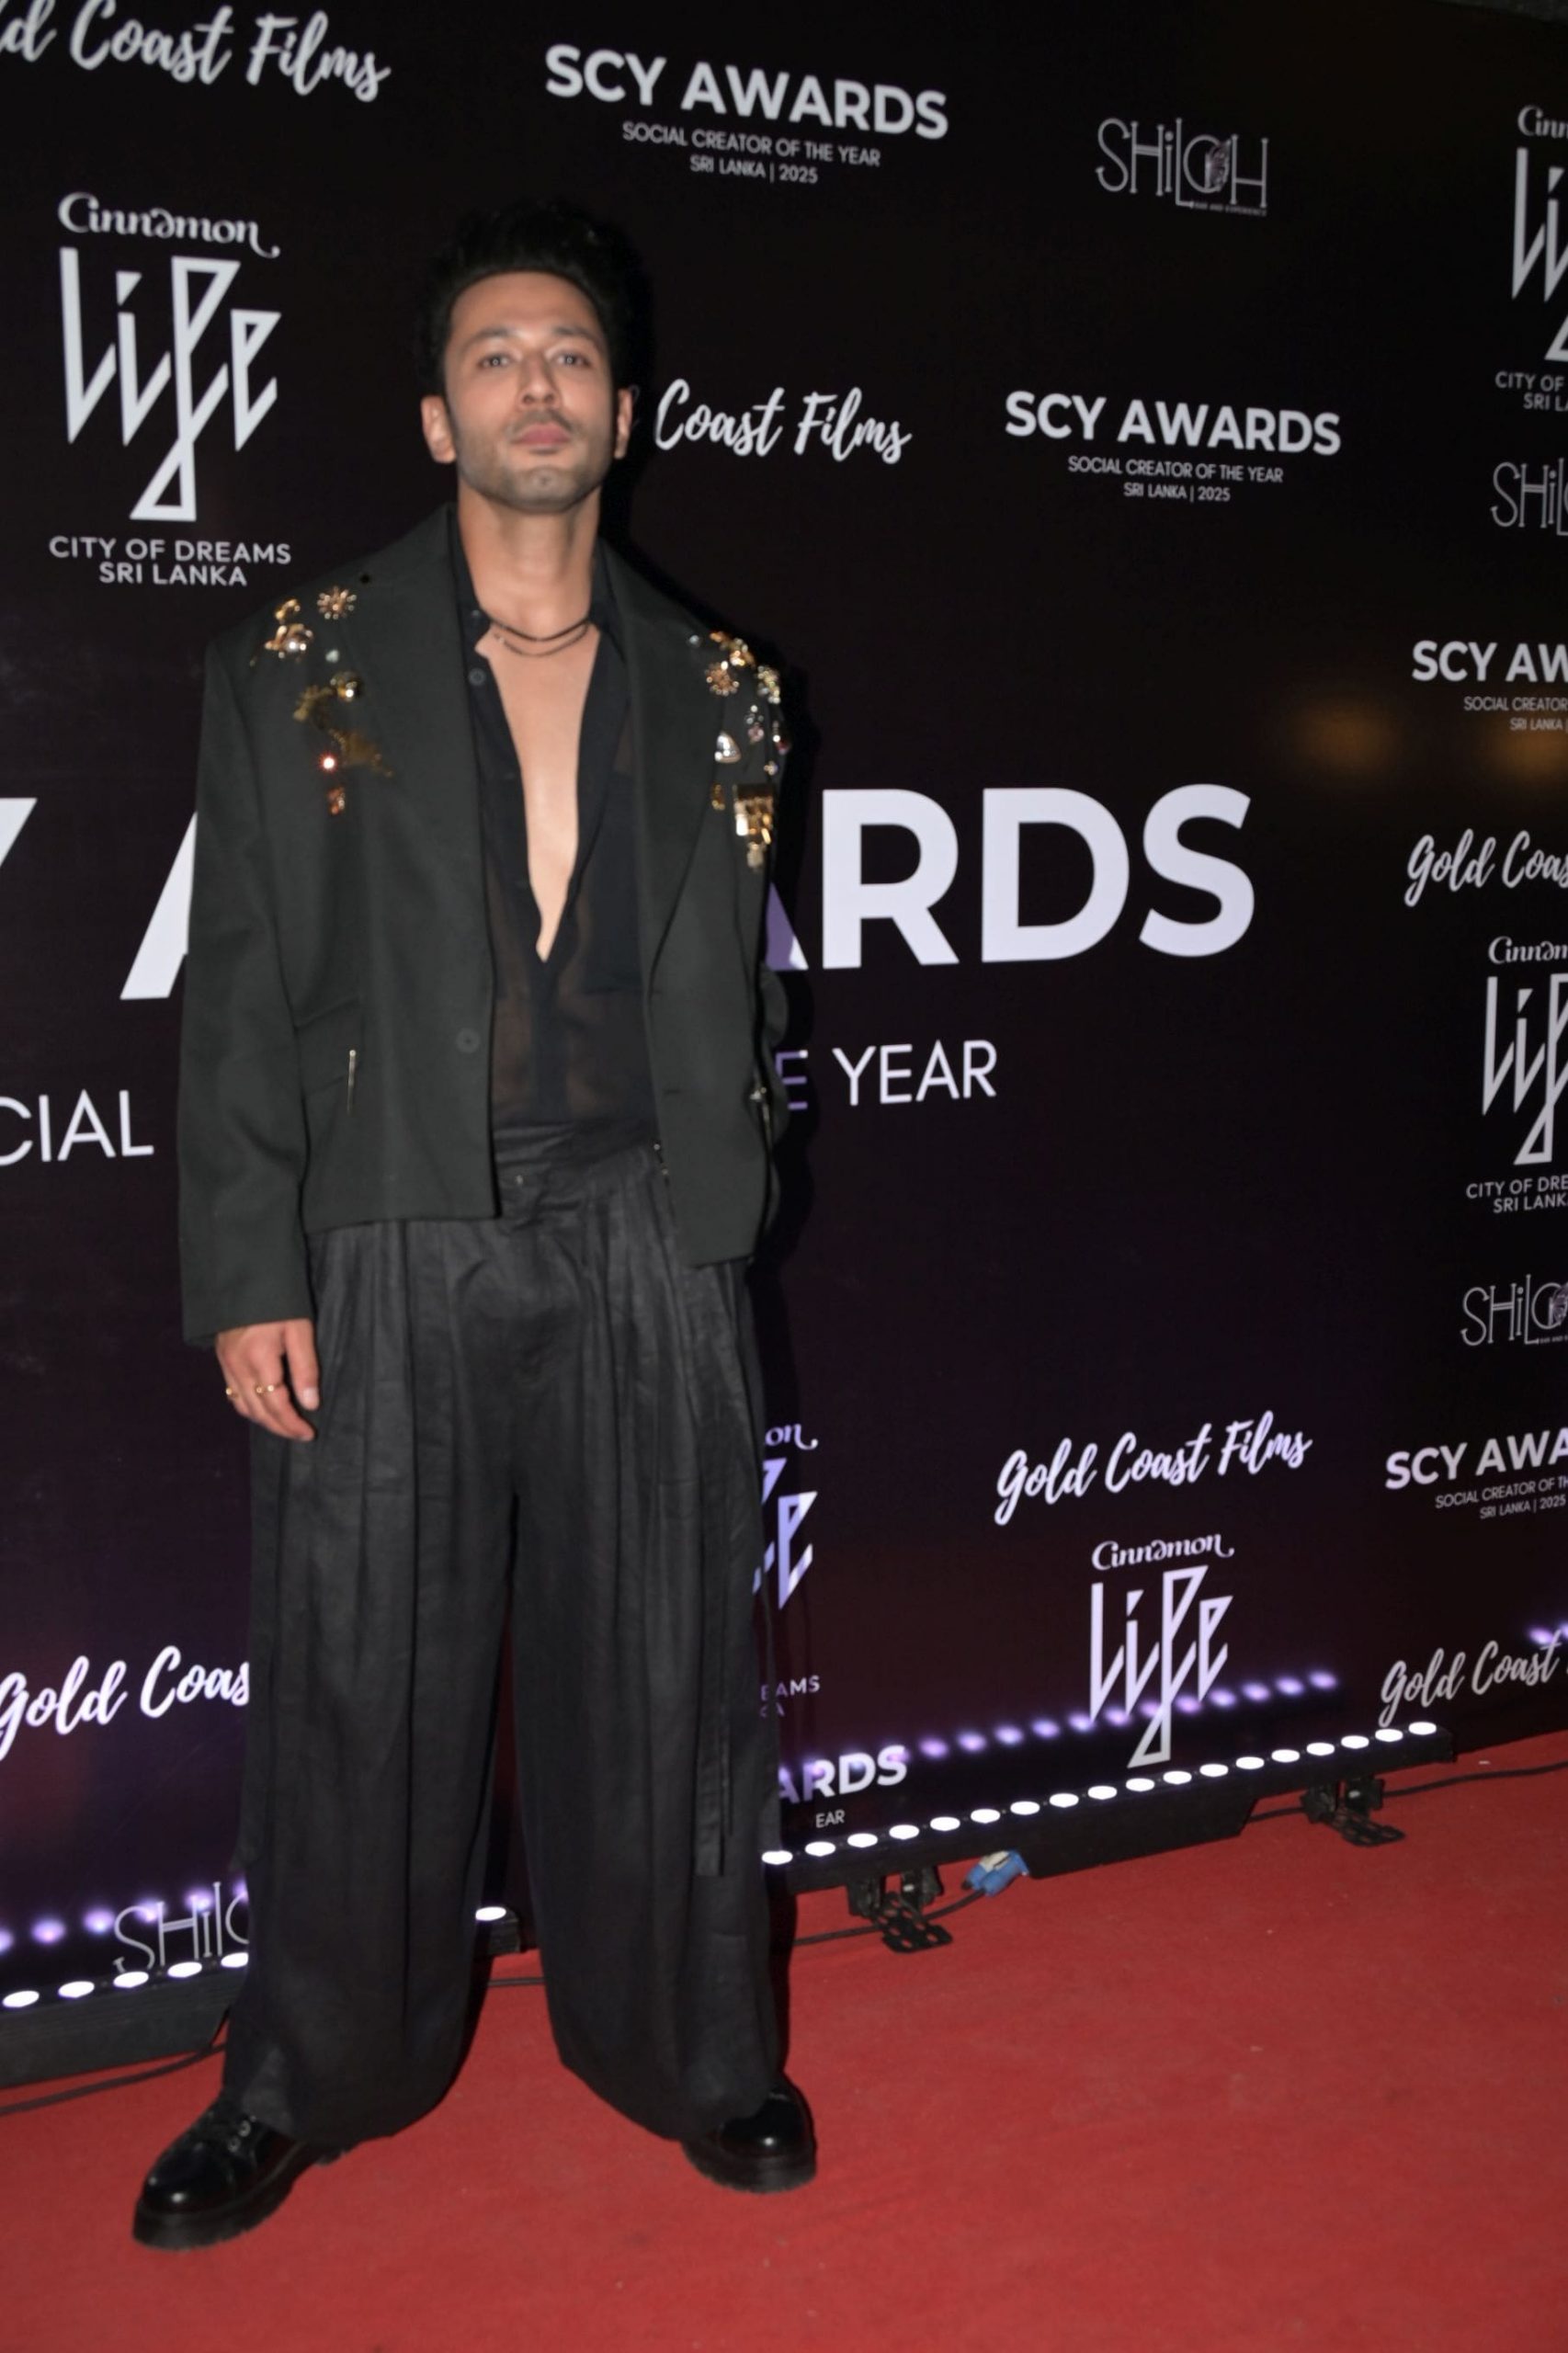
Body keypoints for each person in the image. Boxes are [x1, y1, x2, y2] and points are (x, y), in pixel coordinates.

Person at [133, 199, 808, 2251]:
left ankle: (696, 2047)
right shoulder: (296, 662)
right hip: (390, 1234)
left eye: (572, 355)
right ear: (438, 417)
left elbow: (742, 984)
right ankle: (299, 2076)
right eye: (497, 355)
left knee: (669, 1669)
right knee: (357, 1675)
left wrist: (733, 1189)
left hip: (644, 1235)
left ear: (624, 413)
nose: (538, 384)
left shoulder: (721, 685)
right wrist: (251, 1265)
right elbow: (237, 984)